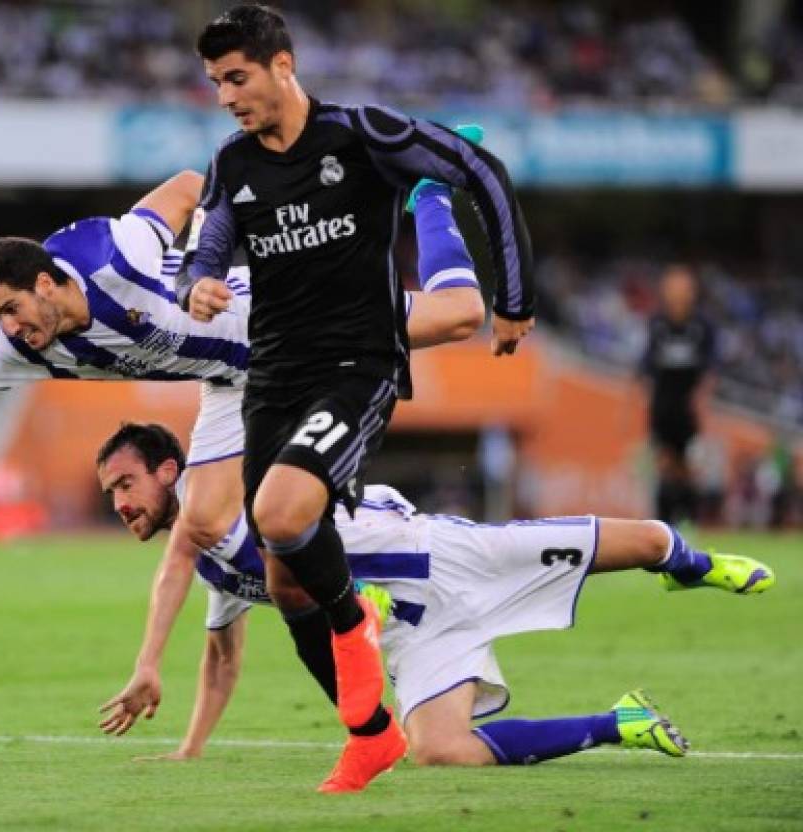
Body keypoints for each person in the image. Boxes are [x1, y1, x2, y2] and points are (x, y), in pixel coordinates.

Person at [0, 164, 482, 579]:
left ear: (50, 283)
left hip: (288, 317)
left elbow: (184, 186)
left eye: (13, 308)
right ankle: (319, 609)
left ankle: (429, 198)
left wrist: (221, 247)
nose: (8, 329)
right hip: (233, 380)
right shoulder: (25, 345)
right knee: (206, 522)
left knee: (459, 316)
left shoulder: (117, 254)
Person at [178, 3, 535, 787]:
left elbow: (483, 171)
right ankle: (370, 732)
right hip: (272, 376)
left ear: (283, 64)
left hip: (356, 365)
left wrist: (514, 298)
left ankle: (355, 620)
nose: (227, 95)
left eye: (237, 77)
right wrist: (199, 281)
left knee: (279, 514)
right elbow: (205, 246)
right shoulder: (233, 164)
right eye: (215, 83)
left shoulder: (363, 134)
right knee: (280, 575)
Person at [94, 423, 774, 788]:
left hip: (446, 560)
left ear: (170, 473)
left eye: (126, 483)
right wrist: (188, 750)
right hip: (414, 634)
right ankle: (621, 722)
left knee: (649, 542)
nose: (120, 504)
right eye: (109, 493)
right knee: (441, 750)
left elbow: (179, 554)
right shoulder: (216, 557)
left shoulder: (218, 503)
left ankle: (694, 566)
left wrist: (147, 660)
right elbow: (221, 658)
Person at [640, 264, 716, 525]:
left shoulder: (702, 325)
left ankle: (689, 525)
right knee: (664, 467)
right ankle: (664, 527)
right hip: (663, 407)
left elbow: (710, 371)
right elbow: (646, 369)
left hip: (689, 410)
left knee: (690, 470)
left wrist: (702, 407)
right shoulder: (657, 323)